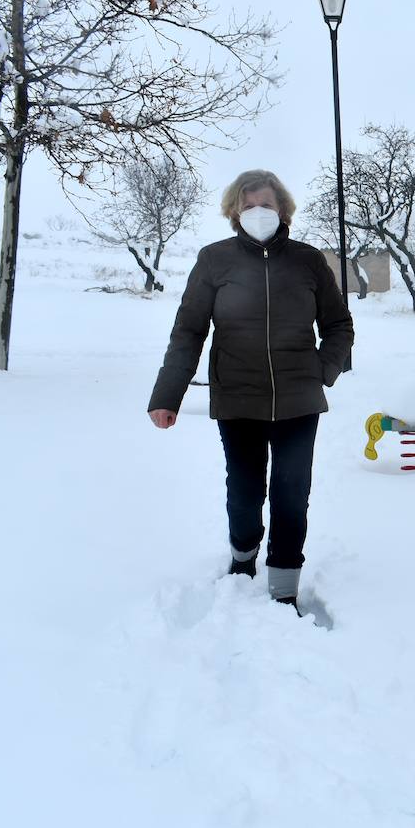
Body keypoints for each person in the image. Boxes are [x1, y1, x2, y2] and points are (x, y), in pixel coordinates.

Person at [147, 169, 355, 610]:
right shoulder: (214, 260)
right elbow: (188, 331)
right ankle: (243, 556)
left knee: (291, 491)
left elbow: (338, 325)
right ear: (234, 213)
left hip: (299, 399)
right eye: (248, 206)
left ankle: (284, 580)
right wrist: (168, 395)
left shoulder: (308, 261)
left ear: (283, 211)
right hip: (237, 396)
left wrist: (323, 368)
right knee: (244, 490)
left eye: (266, 205)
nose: (257, 213)